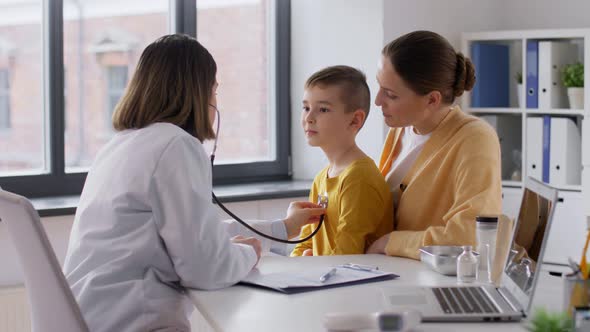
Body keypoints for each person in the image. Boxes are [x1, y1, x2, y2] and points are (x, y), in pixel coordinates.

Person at [63, 34, 324, 332]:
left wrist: (282, 229)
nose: (214, 102)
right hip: (132, 321)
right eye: (213, 90)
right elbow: (205, 268)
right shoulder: (176, 146)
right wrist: (248, 253)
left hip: (91, 315)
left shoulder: (121, 145)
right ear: (198, 94)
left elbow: (194, 235)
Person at [366, 30, 502, 259]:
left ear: (432, 99)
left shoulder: (475, 139)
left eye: (390, 94)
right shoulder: (400, 130)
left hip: (431, 280)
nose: (378, 100)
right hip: (391, 271)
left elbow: (471, 236)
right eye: (379, 87)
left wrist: (390, 242)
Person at [291, 66, 394, 257]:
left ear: (355, 120)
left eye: (322, 109)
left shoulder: (359, 178)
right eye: (306, 108)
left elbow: (346, 255)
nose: (309, 118)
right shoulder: (321, 178)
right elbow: (305, 244)